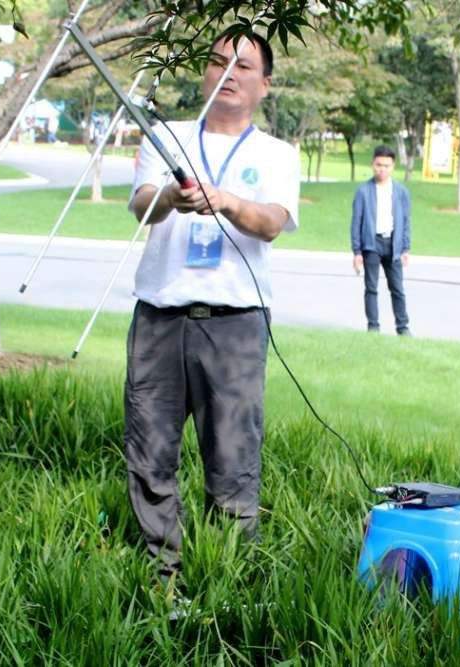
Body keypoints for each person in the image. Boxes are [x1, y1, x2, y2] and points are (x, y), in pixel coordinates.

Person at [124, 30, 300, 583]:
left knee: (233, 457)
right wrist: (171, 198)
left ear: (264, 84)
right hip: (160, 317)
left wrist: (223, 199)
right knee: (150, 452)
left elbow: (271, 223)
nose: (228, 74)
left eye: (243, 66)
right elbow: (139, 207)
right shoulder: (165, 138)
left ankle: (228, 581)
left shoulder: (276, 153)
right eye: (219, 62)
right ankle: (162, 580)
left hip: (235, 325)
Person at [351, 145, 412, 336]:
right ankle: (373, 327)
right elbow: (356, 222)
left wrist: (405, 248)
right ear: (372, 165)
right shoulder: (363, 191)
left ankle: (402, 327)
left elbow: (406, 220)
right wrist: (357, 252)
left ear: (393, 167)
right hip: (372, 244)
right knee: (371, 288)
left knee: (397, 288)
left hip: (393, 244)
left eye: (386, 166)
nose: (382, 169)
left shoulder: (401, 192)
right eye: (378, 165)